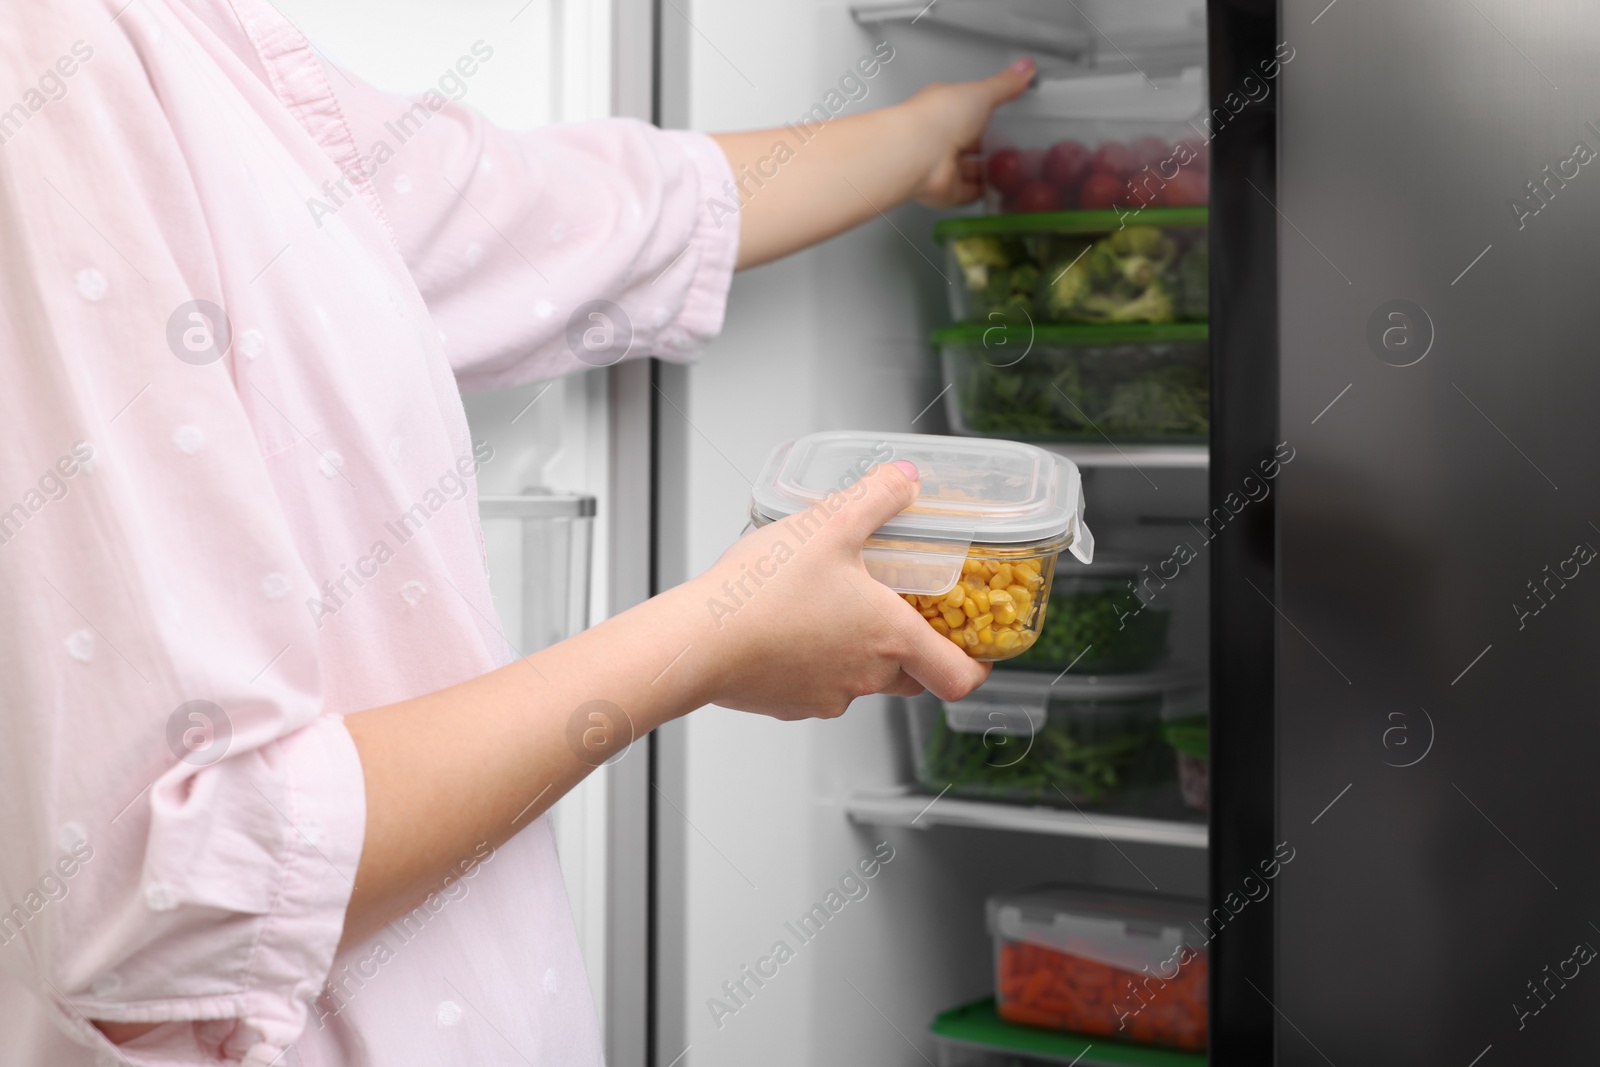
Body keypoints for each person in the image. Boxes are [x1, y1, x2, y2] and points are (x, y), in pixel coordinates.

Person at [0, 1, 1032, 1062]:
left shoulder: (195, 46)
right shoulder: (45, 65)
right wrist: (712, 636)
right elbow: (168, 886)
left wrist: (915, 138)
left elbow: (571, 215)